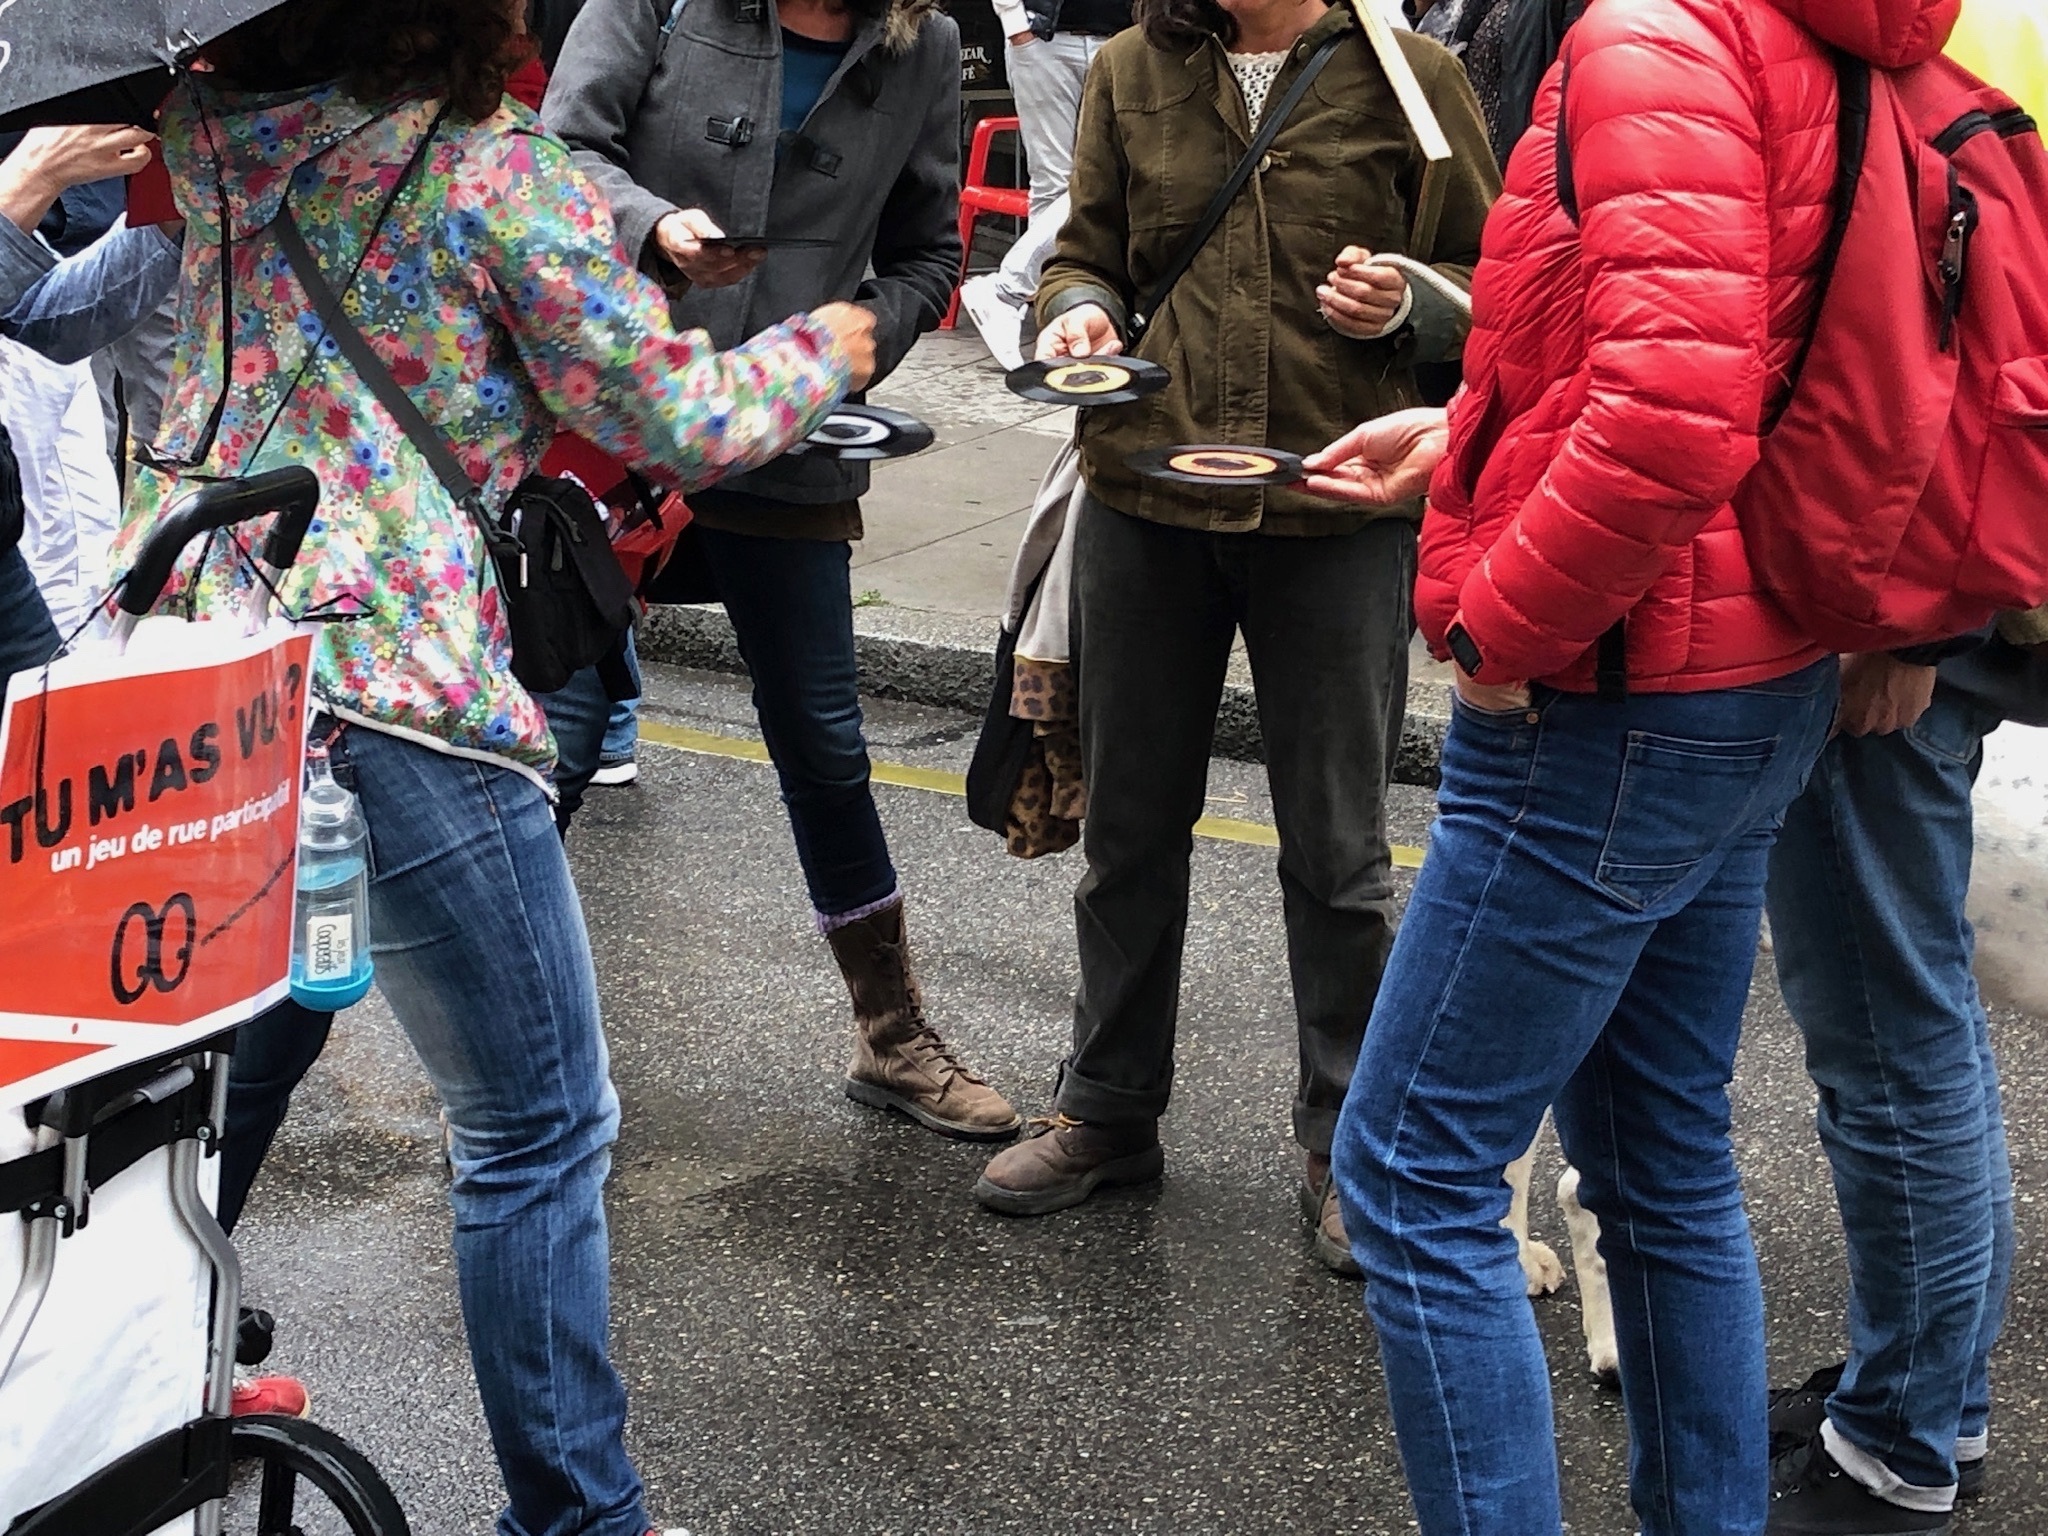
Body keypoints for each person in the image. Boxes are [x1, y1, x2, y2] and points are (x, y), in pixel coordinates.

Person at [114, 4, 876, 1533]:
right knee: (537, 1123)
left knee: (209, 1075)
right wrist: (828, 346)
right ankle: (581, 1513)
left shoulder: (196, 137)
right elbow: (662, 412)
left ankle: (125, 1391)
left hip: (191, 667)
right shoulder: (491, 168)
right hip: (392, 689)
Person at [1307, 0, 1962, 1527]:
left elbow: (1673, 417)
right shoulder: (1832, 33)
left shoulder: (1656, 31)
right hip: (1760, 668)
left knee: (1410, 1178)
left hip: (1615, 693)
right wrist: (1469, 429)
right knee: (1662, 1164)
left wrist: (1498, 625)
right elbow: (1693, 350)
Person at [970, 0, 1496, 1279]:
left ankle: (1346, 1145)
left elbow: (1497, 291)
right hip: (1146, 493)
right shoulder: (1127, 71)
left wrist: (1407, 307)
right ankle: (1107, 1109)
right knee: (1130, 829)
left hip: (1335, 504)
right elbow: (1082, 250)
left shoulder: (1413, 76)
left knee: (1336, 850)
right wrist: (1077, 314)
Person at [545, 0, 1024, 1142]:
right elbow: (559, 153)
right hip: (618, 410)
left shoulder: (927, 44)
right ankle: (508, 1043)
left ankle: (891, 1034)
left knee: (820, 737)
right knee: (552, 732)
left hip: (790, 428)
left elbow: (923, 250)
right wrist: (654, 227)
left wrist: (859, 341)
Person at [1758, 11, 2045, 1533]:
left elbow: (1937, 403)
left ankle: (1906, 1446)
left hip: (1893, 641)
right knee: (1896, 1032)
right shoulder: (1944, 92)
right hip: (1919, 623)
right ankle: (1920, 1389)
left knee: (1889, 1037)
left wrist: (1907, 624)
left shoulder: (1897, 113)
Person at [955, 0, 1134, 371]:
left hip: (1123, 40)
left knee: (1118, 170)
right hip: (1043, 39)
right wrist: (1015, 23)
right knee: (1053, 182)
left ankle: (1008, 290)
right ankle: (1053, 312)